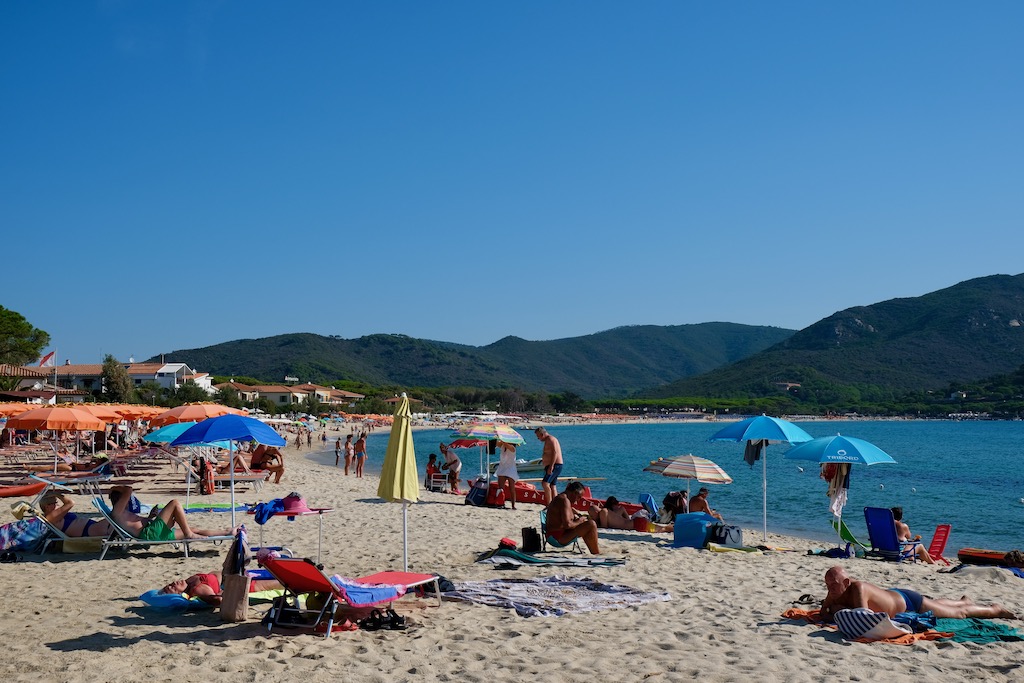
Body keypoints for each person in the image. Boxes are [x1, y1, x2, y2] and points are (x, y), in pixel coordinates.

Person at [821, 565, 1015, 621]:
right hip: (894, 597)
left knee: (959, 614)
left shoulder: (857, 588)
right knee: (939, 604)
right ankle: (962, 600)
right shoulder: (835, 589)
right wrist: (834, 608)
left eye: (834, 586)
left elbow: (864, 619)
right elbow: (823, 612)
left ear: (846, 582)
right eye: (828, 585)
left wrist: (836, 611)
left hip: (908, 602)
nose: (830, 590)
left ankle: (994, 609)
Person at [108, 485, 234, 541]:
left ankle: (227, 532)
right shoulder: (116, 512)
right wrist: (113, 488)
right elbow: (128, 490)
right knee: (174, 503)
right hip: (150, 533)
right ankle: (188, 534)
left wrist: (150, 517)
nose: (127, 500)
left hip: (151, 530)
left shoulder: (121, 512)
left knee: (194, 529)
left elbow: (135, 525)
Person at [159, 570, 283, 606]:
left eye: (170, 583)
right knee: (281, 582)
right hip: (239, 584)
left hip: (237, 574)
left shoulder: (189, 581)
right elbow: (217, 600)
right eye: (172, 588)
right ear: (178, 595)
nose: (174, 583)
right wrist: (224, 592)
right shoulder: (197, 590)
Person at [544, 481, 600, 553]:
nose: (578, 500)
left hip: (554, 534)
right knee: (591, 524)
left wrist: (577, 520)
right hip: (557, 537)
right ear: (575, 493)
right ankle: (596, 553)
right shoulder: (564, 500)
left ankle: (594, 551)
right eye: (579, 497)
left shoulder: (561, 497)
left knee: (587, 526)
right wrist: (580, 520)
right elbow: (568, 525)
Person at [38, 492, 112, 537]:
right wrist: (57, 494)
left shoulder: (55, 515)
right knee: (116, 519)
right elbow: (70, 503)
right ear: (47, 506)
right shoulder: (51, 517)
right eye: (55, 503)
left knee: (116, 520)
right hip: (88, 530)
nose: (58, 504)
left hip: (91, 527)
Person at [535, 427, 563, 505]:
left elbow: (555, 453)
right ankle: (556, 504)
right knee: (552, 485)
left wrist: (551, 466)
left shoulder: (551, 439)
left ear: (542, 434)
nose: (538, 439)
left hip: (555, 465)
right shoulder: (548, 440)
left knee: (545, 483)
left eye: (538, 437)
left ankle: (550, 504)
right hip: (554, 465)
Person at [493, 439, 520, 510]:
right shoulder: (502, 445)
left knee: (512, 488)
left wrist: (503, 441)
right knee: (501, 488)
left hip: (511, 468)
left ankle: (513, 505)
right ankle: (500, 502)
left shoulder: (512, 448)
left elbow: (508, 446)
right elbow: (496, 443)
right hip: (502, 467)